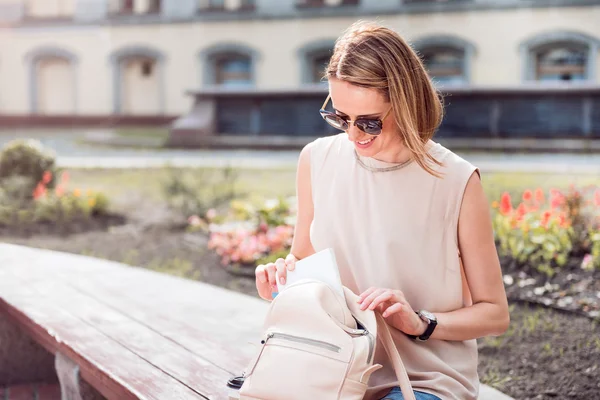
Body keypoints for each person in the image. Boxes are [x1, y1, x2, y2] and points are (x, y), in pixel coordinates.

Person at [254, 21, 509, 400]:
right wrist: (279, 283)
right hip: (332, 371)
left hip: (422, 380)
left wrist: (420, 322)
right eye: (339, 118)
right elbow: (305, 264)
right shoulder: (316, 160)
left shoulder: (456, 181)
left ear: (406, 104)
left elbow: (494, 314)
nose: (353, 135)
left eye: (370, 122)